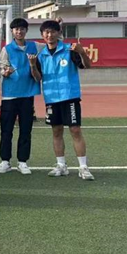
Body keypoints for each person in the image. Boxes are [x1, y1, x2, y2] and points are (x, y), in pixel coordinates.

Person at [29, 20, 95, 180]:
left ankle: (83, 167)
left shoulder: (70, 50)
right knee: (56, 131)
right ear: (42, 35)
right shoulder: (41, 55)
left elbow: (87, 66)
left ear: (59, 33)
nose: (49, 35)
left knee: (75, 130)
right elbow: (38, 78)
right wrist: (32, 65)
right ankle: (61, 165)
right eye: (46, 32)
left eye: (53, 31)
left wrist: (82, 52)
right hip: (51, 99)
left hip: (70, 96)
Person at [0, 18, 40, 175]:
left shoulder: (35, 47)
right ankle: (5, 161)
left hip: (27, 94)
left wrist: (59, 28)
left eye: (22, 29)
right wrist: (5, 72)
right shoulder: (7, 49)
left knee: (26, 129)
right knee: (6, 130)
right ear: (12, 32)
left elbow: (52, 43)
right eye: (16, 29)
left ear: (26, 30)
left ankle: (22, 161)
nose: (19, 31)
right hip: (10, 95)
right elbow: (2, 68)